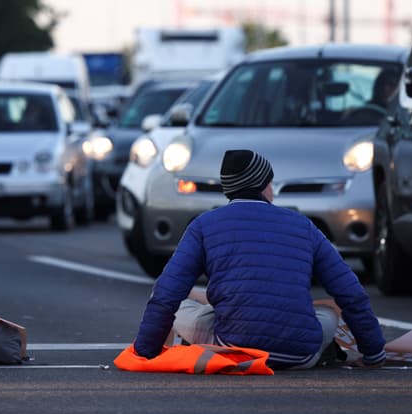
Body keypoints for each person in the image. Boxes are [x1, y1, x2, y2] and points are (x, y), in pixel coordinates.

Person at [131, 149, 386, 369]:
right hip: (300, 354)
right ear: (264, 185)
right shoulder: (303, 225)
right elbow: (350, 292)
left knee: (184, 307)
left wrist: (145, 352)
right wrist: (374, 353)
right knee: (329, 313)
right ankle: (323, 350)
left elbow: (166, 294)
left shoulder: (204, 226)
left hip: (234, 349)